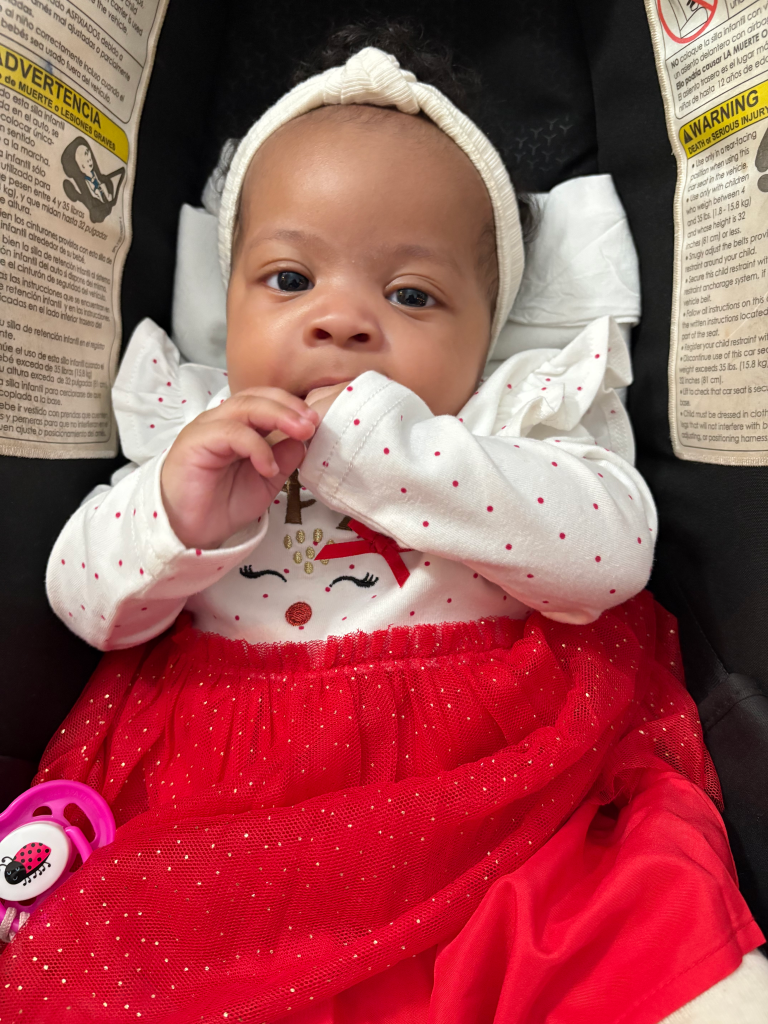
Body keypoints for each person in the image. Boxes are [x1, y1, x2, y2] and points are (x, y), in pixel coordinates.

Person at [3, 25, 766, 1024]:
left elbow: (613, 552)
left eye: (411, 294)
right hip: (231, 827)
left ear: (485, 336)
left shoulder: (503, 423)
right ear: (225, 304)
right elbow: (86, 603)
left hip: (503, 802)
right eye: (288, 280)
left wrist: (398, 451)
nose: (343, 321)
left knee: (645, 933)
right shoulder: (193, 426)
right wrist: (177, 517)